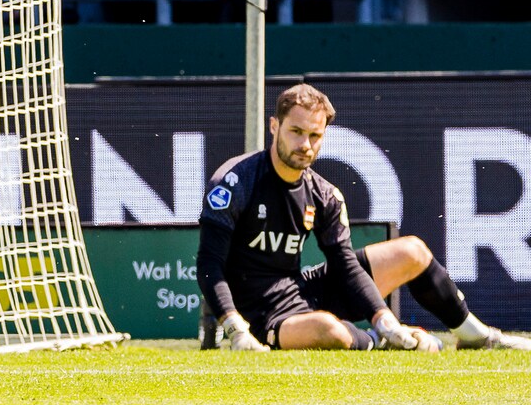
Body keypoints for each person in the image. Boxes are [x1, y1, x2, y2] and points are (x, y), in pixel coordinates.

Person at [197, 83, 531, 352]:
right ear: (274, 126)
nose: (305, 145)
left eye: (315, 136)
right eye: (295, 132)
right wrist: (234, 326)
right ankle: (380, 342)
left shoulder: (323, 193)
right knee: (328, 330)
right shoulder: (236, 181)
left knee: (412, 251)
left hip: (299, 290)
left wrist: (382, 315)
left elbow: (344, 265)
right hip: (256, 313)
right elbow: (210, 263)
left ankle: (477, 336)